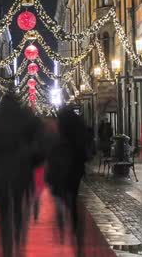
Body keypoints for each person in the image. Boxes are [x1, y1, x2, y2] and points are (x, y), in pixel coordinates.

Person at [0, 93, 40, 257]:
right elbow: (38, 141)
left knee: (4, 208)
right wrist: (32, 162)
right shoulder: (24, 117)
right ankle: (18, 235)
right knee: (18, 204)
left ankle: (6, 245)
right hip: (21, 168)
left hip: (1, 169)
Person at [46, 107, 88, 257]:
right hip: (75, 170)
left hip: (61, 168)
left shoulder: (60, 129)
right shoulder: (79, 126)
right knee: (73, 198)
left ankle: (61, 218)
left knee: (61, 195)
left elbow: (52, 149)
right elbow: (85, 149)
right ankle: (76, 229)